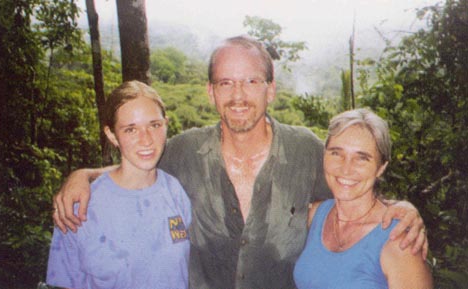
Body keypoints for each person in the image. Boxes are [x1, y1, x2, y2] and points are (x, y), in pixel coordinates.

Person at [52, 36, 427, 289]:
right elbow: (136, 160)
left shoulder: (307, 152)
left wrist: (401, 209)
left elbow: (353, 183)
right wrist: (82, 175)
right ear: (210, 91)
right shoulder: (182, 152)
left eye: (250, 81)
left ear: (271, 89)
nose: (238, 96)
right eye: (226, 83)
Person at [46, 81, 191, 289]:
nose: (146, 140)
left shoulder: (175, 192)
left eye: (154, 125)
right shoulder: (79, 207)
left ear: (166, 124)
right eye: (131, 129)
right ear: (111, 135)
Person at [293, 108, 432, 289]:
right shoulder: (315, 215)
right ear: (324, 155)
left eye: (362, 158)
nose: (346, 169)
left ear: (381, 168)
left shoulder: (398, 241)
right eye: (336, 153)